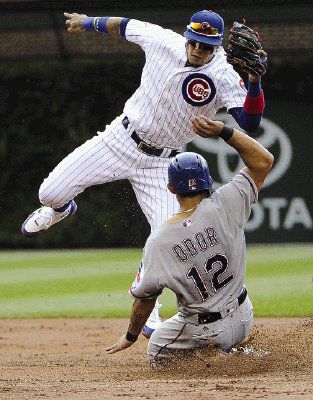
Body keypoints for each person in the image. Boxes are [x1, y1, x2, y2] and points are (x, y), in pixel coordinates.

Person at [21, 10, 267, 336]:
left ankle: (151, 311)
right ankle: (62, 208)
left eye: (206, 47)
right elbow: (123, 26)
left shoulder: (222, 75)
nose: (197, 51)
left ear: (216, 47)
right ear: (187, 36)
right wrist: (86, 22)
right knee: (47, 194)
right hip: (119, 140)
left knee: (167, 236)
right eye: (194, 43)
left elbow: (251, 123)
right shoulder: (163, 41)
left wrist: (254, 82)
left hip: (160, 164)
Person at [106, 118, 273, 368]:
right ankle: (238, 353)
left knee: (157, 349)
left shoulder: (160, 239)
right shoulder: (229, 202)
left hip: (203, 330)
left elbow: (145, 299)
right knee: (225, 325)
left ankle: (218, 360)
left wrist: (130, 336)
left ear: (171, 188)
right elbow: (264, 160)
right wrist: (224, 131)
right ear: (207, 180)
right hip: (243, 317)